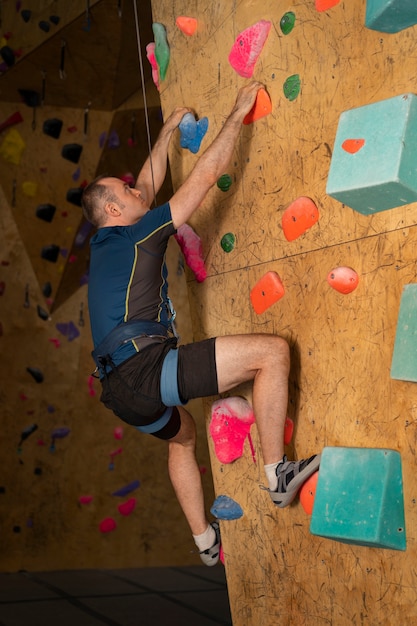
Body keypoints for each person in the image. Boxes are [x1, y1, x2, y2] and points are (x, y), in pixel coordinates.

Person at [81, 81, 320, 567]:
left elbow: (146, 186)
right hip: (147, 370)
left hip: (119, 391)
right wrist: (235, 113)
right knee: (272, 352)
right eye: (126, 191)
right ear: (112, 209)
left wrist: (167, 132)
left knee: (184, 435)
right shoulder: (134, 234)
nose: (137, 189)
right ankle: (277, 475)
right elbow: (205, 177)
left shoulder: (106, 245)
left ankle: (205, 543)